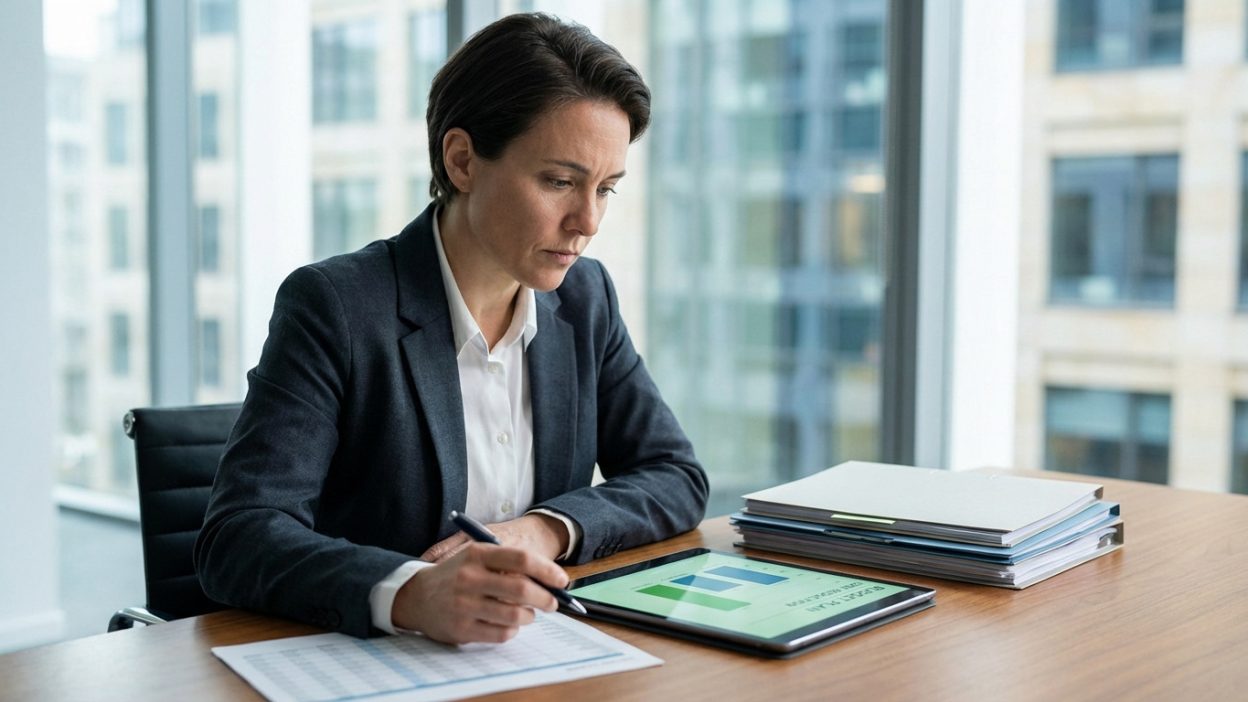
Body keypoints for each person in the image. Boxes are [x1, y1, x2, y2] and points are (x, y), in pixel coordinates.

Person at [193, 13, 708, 645]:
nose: (587, 221)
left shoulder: (585, 298)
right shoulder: (336, 306)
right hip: (376, 662)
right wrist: (410, 592)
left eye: (606, 189)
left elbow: (675, 475)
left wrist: (545, 529)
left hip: (537, 655)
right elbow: (238, 537)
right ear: (462, 160)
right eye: (560, 182)